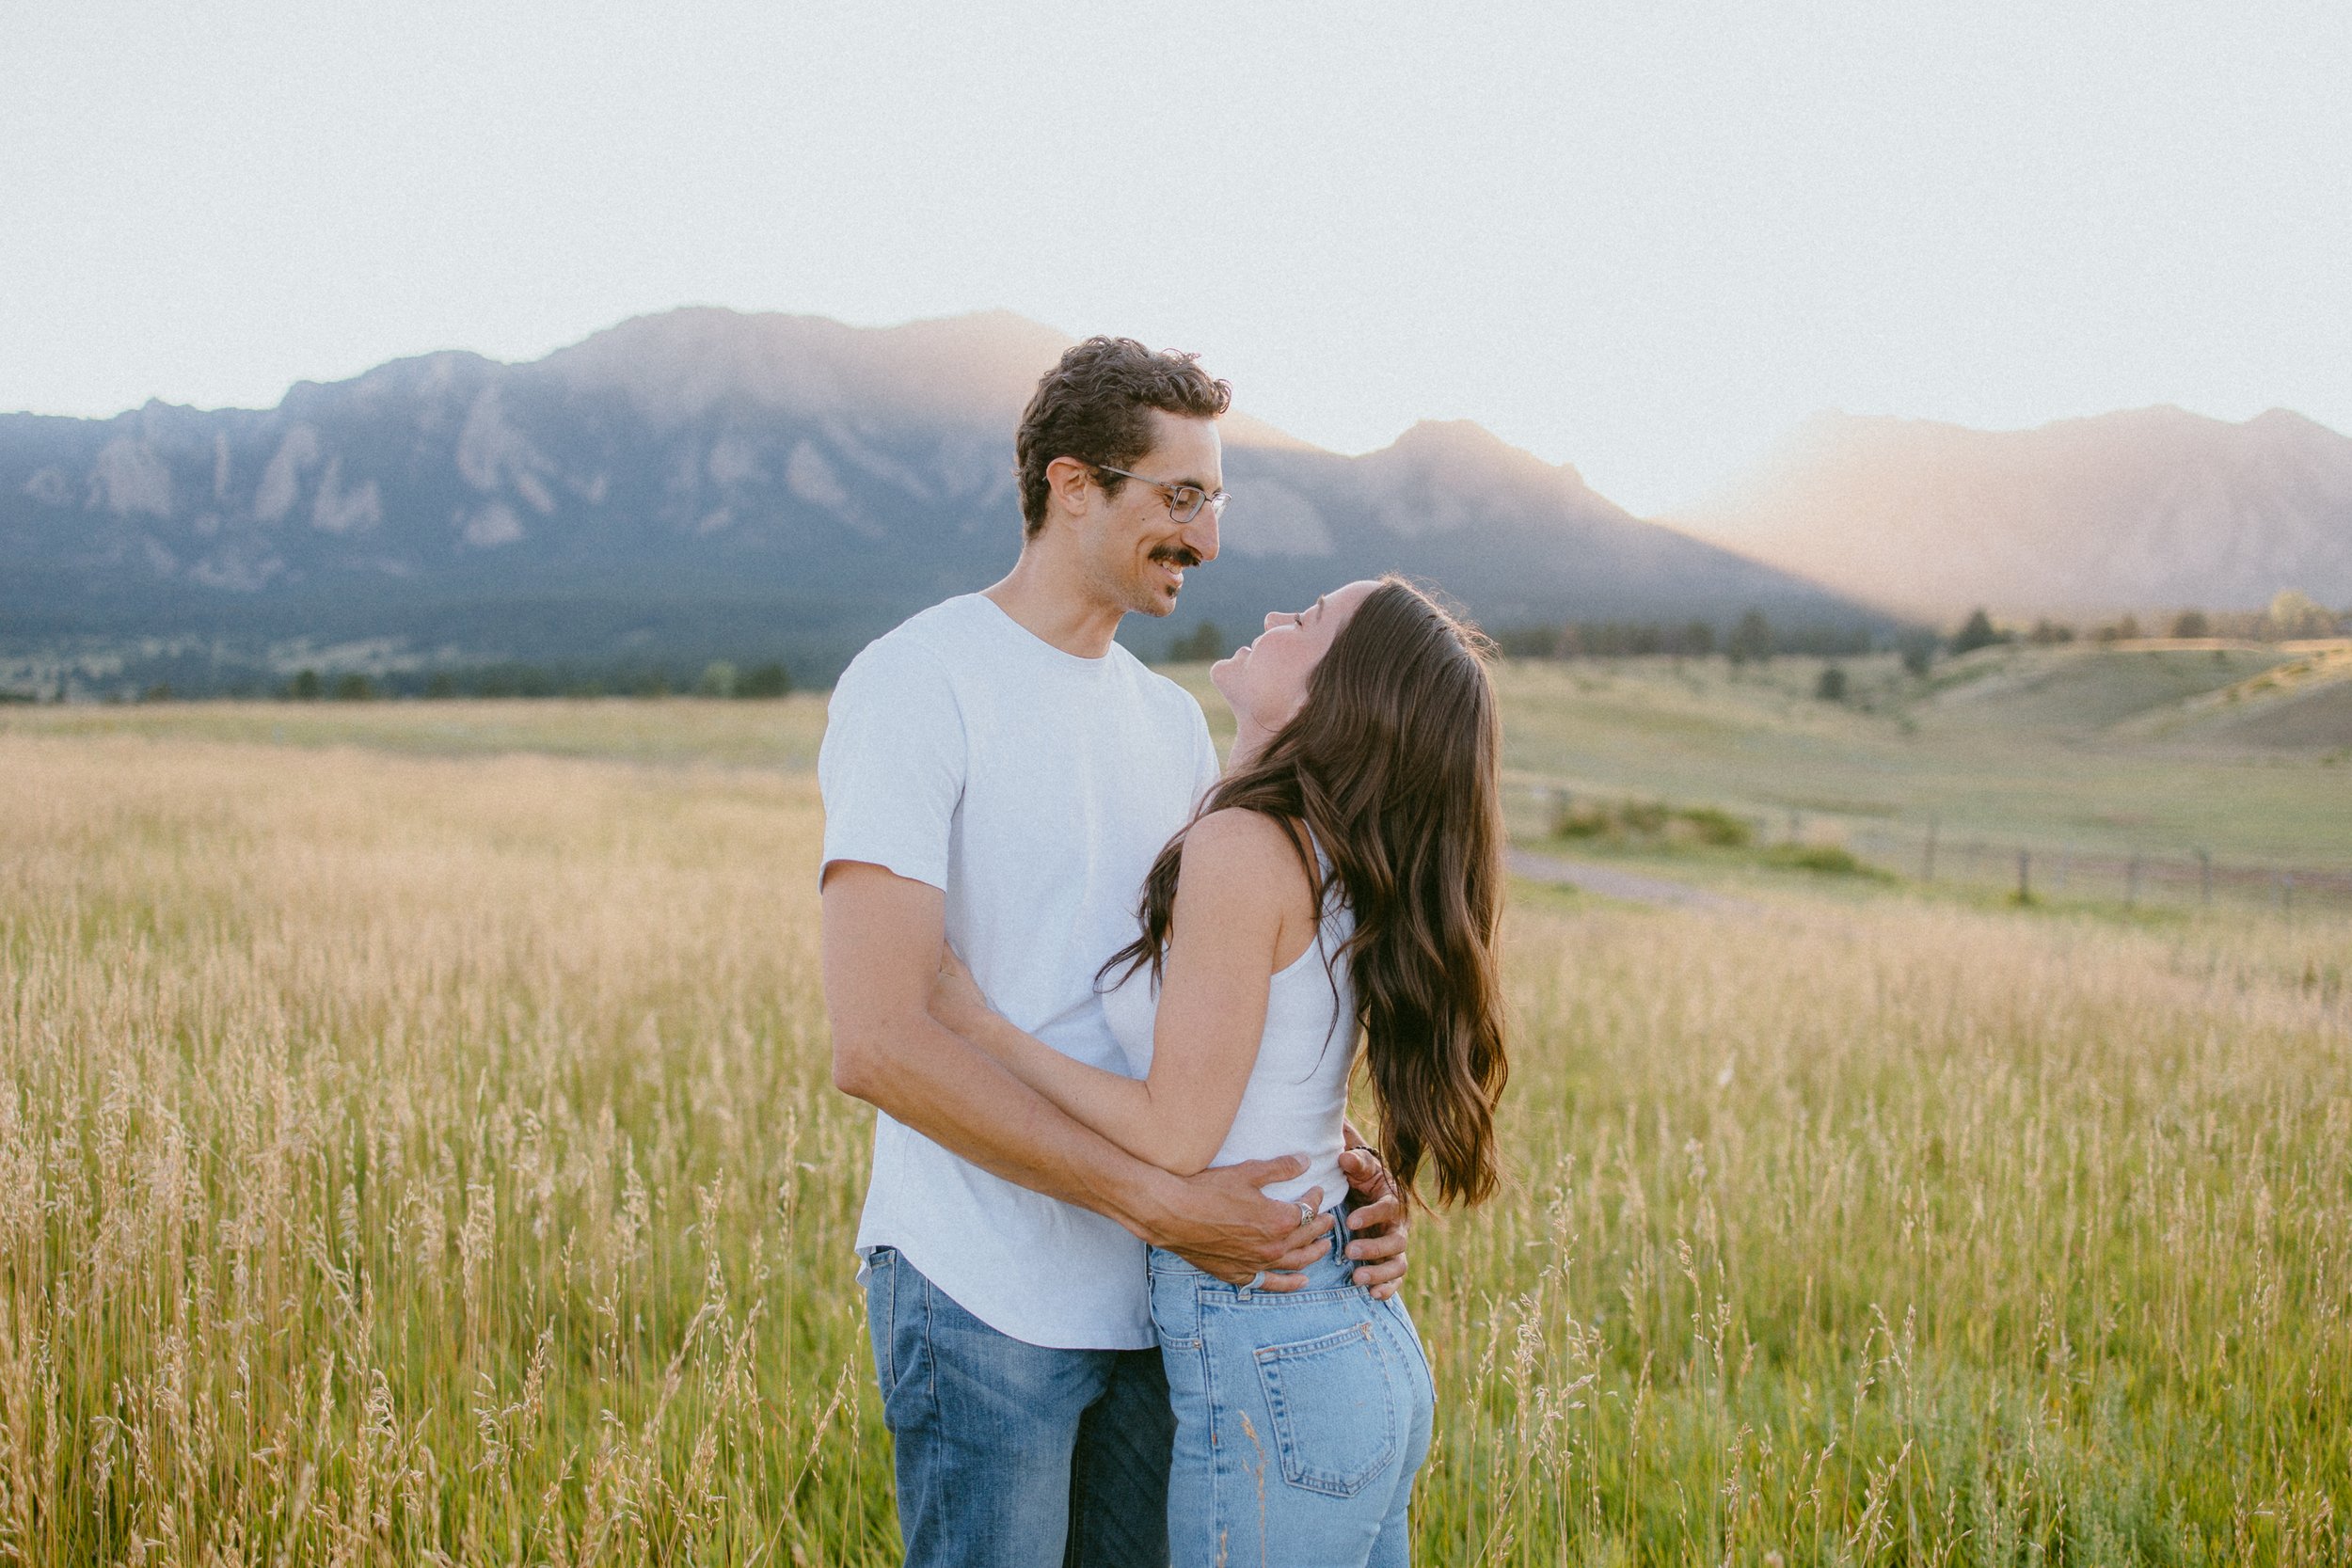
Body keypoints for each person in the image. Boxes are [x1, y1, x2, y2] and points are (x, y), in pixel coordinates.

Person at [818, 337, 1409, 1568]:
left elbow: (1219, 999)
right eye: (1177, 497)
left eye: (1214, 500)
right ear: (1073, 483)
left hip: (1164, 1306)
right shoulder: (917, 681)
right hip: (981, 1284)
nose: (1204, 537)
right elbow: (877, 1040)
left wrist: (1340, 1169)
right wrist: (1160, 1197)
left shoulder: (1167, 721)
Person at [927, 576, 1507, 1567]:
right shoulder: (1315, 842)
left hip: (1276, 1346)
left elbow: (1173, 1134)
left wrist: (982, 1023)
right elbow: (1281, 1065)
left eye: (1311, 621)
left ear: (1337, 698)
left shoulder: (1245, 846)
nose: (1280, 615)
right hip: (1345, 1337)